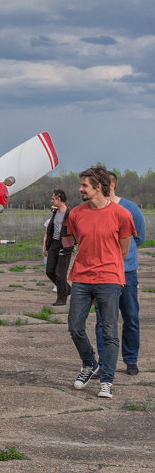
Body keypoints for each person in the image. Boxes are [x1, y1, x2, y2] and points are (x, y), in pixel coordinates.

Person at [65, 166, 136, 399]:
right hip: (82, 277)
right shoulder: (76, 213)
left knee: (109, 331)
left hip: (109, 278)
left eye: (85, 185)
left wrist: (109, 269)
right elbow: (79, 240)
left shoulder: (121, 214)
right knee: (75, 326)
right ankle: (89, 363)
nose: (80, 189)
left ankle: (107, 380)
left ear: (99, 187)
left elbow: (124, 250)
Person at [94, 171, 146, 375]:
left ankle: (131, 359)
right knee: (104, 320)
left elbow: (139, 238)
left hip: (127, 272)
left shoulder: (130, 208)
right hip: (103, 273)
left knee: (131, 316)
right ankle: (104, 363)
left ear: (111, 186)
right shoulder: (95, 210)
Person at [42, 189, 74, 306]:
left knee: (60, 273)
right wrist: (46, 245)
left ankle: (61, 299)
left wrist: (72, 244)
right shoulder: (55, 212)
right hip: (54, 243)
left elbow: (75, 230)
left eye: (53, 198)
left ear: (59, 199)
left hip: (65, 244)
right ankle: (67, 289)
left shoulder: (70, 213)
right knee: (50, 271)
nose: (52, 200)